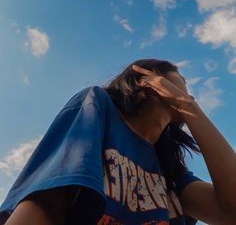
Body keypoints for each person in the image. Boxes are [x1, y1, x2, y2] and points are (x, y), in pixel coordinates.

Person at [0, 58, 236, 225]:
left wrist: (188, 106)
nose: (189, 91)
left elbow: (231, 212)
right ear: (150, 76)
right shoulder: (99, 106)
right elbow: (49, 199)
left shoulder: (172, 173)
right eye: (182, 78)